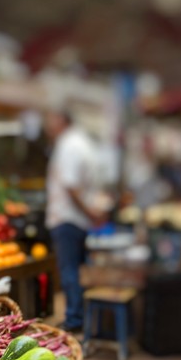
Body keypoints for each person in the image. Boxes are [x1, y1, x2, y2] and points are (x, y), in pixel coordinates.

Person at [44, 110, 106, 333]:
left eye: (51, 120)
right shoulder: (83, 143)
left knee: (69, 271)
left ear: (62, 120)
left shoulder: (69, 145)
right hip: (78, 220)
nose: (48, 126)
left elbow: (71, 185)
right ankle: (82, 316)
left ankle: (74, 320)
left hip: (67, 218)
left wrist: (88, 211)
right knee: (79, 271)